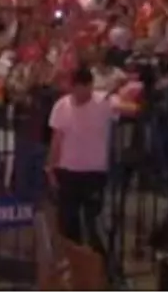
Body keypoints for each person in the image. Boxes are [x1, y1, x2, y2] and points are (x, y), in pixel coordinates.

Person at [45, 66, 112, 258]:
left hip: (94, 172)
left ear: (91, 86)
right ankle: (73, 264)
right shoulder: (61, 106)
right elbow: (56, 140)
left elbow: (128, 106)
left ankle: (100, 266)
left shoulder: (104, 103)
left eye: (86, 88)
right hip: (68, 171)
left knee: (94, 222)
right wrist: (51, 168)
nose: (81, 94)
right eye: (77, 89)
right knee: (67, 222)